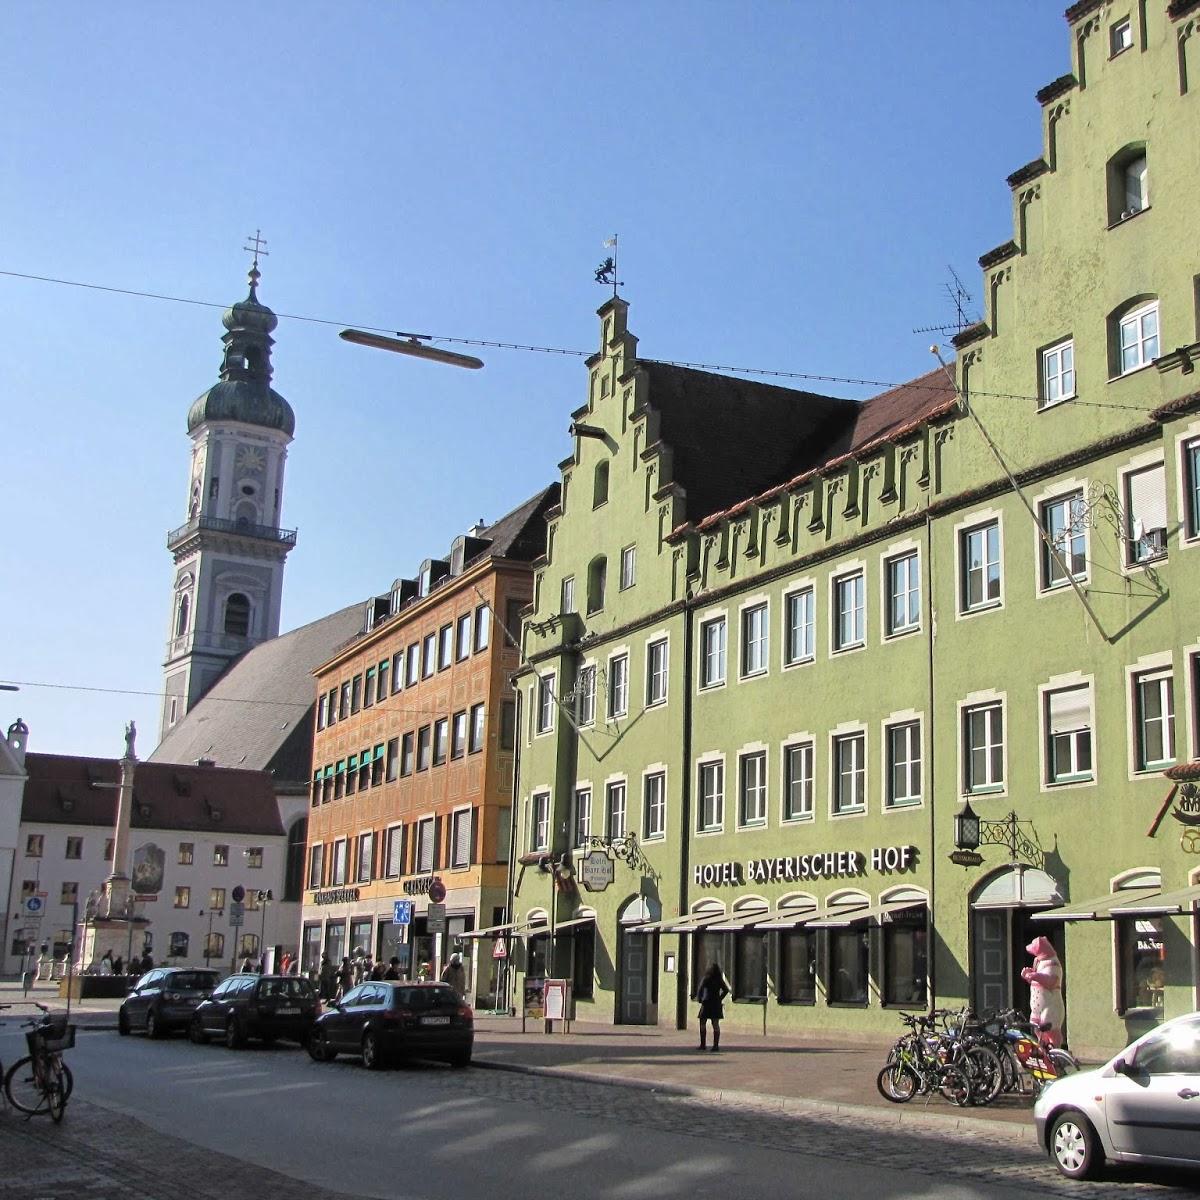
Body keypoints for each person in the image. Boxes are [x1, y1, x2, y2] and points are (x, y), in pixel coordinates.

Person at [696, 962, 729, 1052]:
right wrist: (720, 998)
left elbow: (700, 989)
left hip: (706, 1002)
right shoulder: (719, 979)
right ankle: (715, 1046)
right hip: (716, 1004)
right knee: (715, 1024)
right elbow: (726, 990)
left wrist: (700, 998)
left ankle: (703, 1044)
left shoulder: (706, 978)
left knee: (702, 1022)